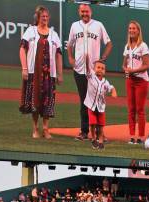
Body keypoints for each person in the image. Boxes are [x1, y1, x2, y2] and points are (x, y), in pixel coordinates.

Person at [68, 3, 112, 141]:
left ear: (91, 12)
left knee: (98, 100)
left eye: (86, 11)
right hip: (80, 70)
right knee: (84, 101)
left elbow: (109, 43)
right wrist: (70, 58)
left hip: (94, 72)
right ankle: (84, 131)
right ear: (79, 12)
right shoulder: (75, 26)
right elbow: (69, 44)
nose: (84, 14)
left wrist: (103, 59)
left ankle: (100, 132)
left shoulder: (98, 25)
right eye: (82, 12)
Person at [19, 5, 63, 139]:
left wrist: (60, 74)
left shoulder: (54, 35)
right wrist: (24, 68)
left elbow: (59, 54)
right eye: (42, 16)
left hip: (49, 75)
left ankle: (46, 129)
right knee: (35, 101)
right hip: (34, 72)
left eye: (46, 16)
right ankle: (35, 129)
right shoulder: (30, 31)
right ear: (37, 17)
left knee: (47, 101)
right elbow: (22, 49)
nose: (44, 18)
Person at [122, 20, 149, 145]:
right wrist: (126, 70)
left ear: (138, 31)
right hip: (130, 80)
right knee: (131, 109)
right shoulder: (127, 46)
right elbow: (124, 65)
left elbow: (147, 65)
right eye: (130, 28)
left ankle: (141, 136)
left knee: (140, 109)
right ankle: (132, 136)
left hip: (141, 80)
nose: (131, 30)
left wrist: (134, 70)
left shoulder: (143, 46)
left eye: (134, 28)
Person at [84, 60, 117, 150]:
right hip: (91, 105)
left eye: (102, 68)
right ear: (94, 69)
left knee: (101, 126)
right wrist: (87, 61)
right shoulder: (91, 77)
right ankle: (94, 139)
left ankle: (101, 141)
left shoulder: (105, 82)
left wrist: (114, 92)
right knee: (93, 123)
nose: (100, 70)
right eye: (98, 67)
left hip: (101, 107)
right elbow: (87, 69)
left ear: (105, 71)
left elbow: (111, 87)